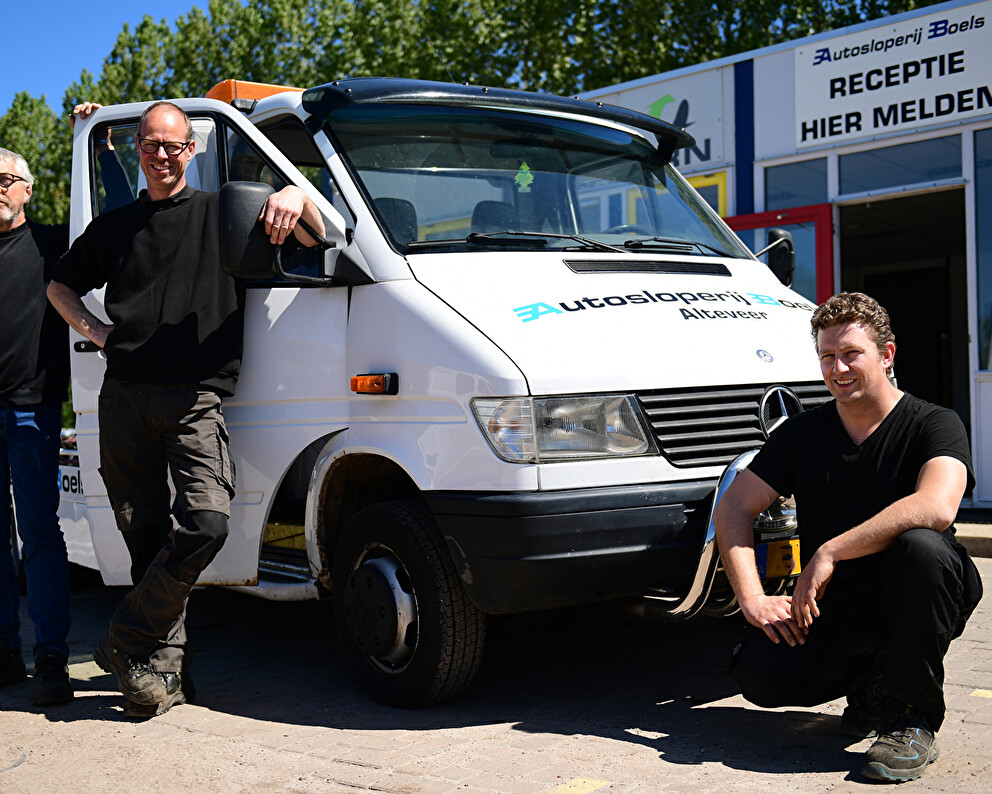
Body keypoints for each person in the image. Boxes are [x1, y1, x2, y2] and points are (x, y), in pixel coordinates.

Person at [47, 101, 324, 718]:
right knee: (143, 540)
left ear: (191, 151)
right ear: (139, 149)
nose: (163, 156)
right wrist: (94, 330)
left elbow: (316, 240)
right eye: (151, 145)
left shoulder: (226, 214)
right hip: (123, 398)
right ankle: (160, 673)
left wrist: (296, 198)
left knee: (207, 523)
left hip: (195, 398)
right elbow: (58, 285)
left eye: (174, 146)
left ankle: (126, 638)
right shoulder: (115, 227)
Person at [714, 291, 982, 783]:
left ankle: (910, 719)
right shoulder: (803, 433)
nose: (838, 368)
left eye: (851, 354)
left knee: (920, 546)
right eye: (827, 357)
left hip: (919, 591)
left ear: (887, 355)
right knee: (760, 671)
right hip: (837, 603)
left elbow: (938, 506)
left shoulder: (933, 423)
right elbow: (734, 504)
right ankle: (871, 682)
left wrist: (830, 550)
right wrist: (751, 597)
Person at [0, 104, 103, 706]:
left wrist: (94, 141)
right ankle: (5, 653)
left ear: (28, 190)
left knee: (39, 535)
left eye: (2, 180)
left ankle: (53, 658)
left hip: (31, 409)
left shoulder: (52, 244)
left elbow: (112, 215)